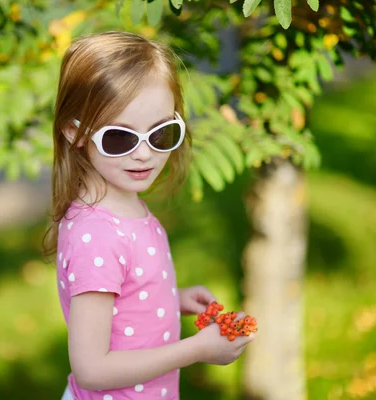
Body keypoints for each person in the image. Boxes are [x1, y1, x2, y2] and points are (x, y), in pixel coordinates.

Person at [43, 31, 255, 400]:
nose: (144, 154)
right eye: (120, 138)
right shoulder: (98, 236)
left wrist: (170, 298)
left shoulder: (121, 203)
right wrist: (197, 350)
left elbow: (121, 300)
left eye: (161, 133)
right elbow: (91, 369)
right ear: (74, 132)